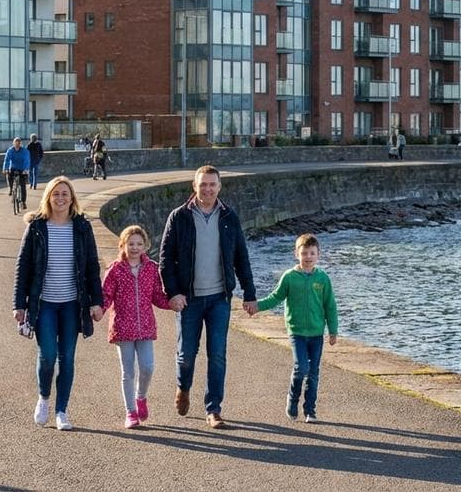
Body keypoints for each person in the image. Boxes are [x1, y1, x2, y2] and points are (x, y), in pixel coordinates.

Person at [158, 165, 257, 429]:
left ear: (219, 187)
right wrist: (173, 293)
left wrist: (249, 293)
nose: (208, 189)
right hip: (188, 299)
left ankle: (213, 409)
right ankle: (183, 387)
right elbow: (165, 260)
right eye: (203, 184)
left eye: (212, 184)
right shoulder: (179, 217)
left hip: (219, 299)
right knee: (186, 355)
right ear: (195, 186)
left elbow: (241, 257)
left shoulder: (229, 217)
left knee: (217, 355)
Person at [12, 176, 104, 431]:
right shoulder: (37, 227)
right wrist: (19, 304)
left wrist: (97, 301)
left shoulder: (82, 227)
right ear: (49, 198)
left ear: (72, 198)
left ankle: (62, 411)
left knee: (67, 358)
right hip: (45, 304)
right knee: (48, 355)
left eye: (65, 194)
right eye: (56, 194)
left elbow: (92, 266)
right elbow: (23, 267)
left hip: (72, 304)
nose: (61, 198)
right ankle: (43, 398)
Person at [249, 233, 338, 424]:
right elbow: (275, 297)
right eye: (304, 253)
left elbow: (330, 306)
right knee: (301, 368)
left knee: (313, 372)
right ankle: (293, 398)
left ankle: (310, 410)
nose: (308, 257)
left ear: (318, 254)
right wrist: (257, 306)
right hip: (297, 332)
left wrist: (333, 330)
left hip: (316, 333)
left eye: (312, 253)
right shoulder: (289, 277)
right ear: (296, 254)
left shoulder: (323, 278)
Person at [101, 225, 171, 428]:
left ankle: (141, 397)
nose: (135, 247)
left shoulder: (152, 269)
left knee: (148, 366)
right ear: (122, 245)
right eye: (131, 244)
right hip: (123, 327)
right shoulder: (115, 269)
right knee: (128, 371)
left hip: (145, 326)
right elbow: (106, 295)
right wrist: (98, 310)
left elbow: (157, 296)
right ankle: (130, 412)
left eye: (139, 244)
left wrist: (172, 303)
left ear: (145, 246)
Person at [2, 137, 31, 209]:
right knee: (9, 175)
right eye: (16, 143)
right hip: (13, 167)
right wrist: (5, 169)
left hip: (22, 168)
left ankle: (23, 202)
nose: (17, 145)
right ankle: (11, 189)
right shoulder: (10, 150)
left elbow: (27, 160)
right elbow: (7, 160)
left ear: (20, 144)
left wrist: (26, 169)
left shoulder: (24, 151)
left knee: (23, 185)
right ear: (13, 143)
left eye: (18, 144)